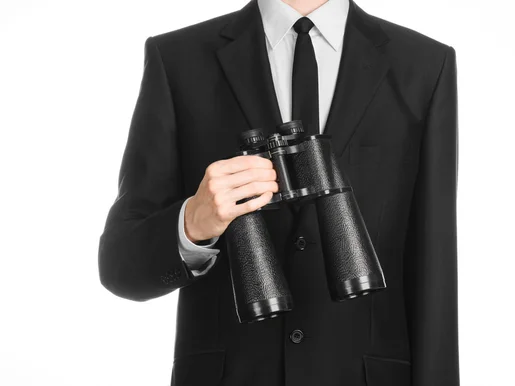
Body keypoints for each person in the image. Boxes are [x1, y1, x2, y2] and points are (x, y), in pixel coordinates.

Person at [97, 0, 460, 385]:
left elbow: (433, 266)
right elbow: (121, 268)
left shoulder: (424, 64)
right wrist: (192, 223)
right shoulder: (178, 59)